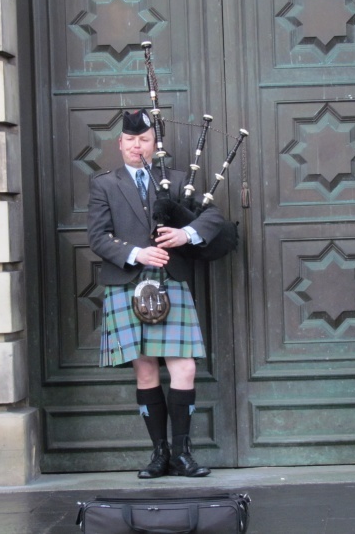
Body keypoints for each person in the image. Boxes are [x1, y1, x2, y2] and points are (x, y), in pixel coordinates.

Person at [87, 108, 226, 479]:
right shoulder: (105, 184)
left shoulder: (178, 180)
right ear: (120, 144)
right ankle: (158, 454)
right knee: (145, 368)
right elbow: (97, 236)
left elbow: (213, 219)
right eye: (130, 140)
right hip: (129, 281)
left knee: (184, 366)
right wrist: (136, 252)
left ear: (154, 144)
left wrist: (185, 234)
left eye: (144, 140)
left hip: (171, 280)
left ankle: (181, 453)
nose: (137, 146)